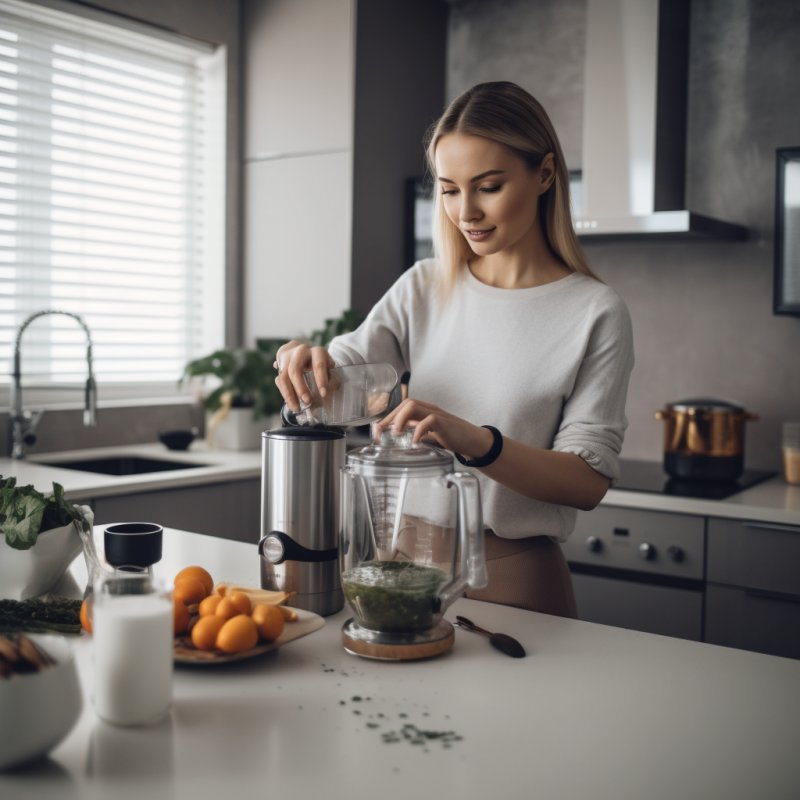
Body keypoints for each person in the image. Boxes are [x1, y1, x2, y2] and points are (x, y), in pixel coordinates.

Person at [274, 81, 634, 617]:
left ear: (545, 173)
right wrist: (306, 365)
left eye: (488, 186)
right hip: (396, 564)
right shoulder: (423, 286)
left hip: (513, 578)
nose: (465, 212)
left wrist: (475, 441)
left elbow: (585, 481)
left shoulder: (594, 312)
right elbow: (349, 374)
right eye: (448, 189)